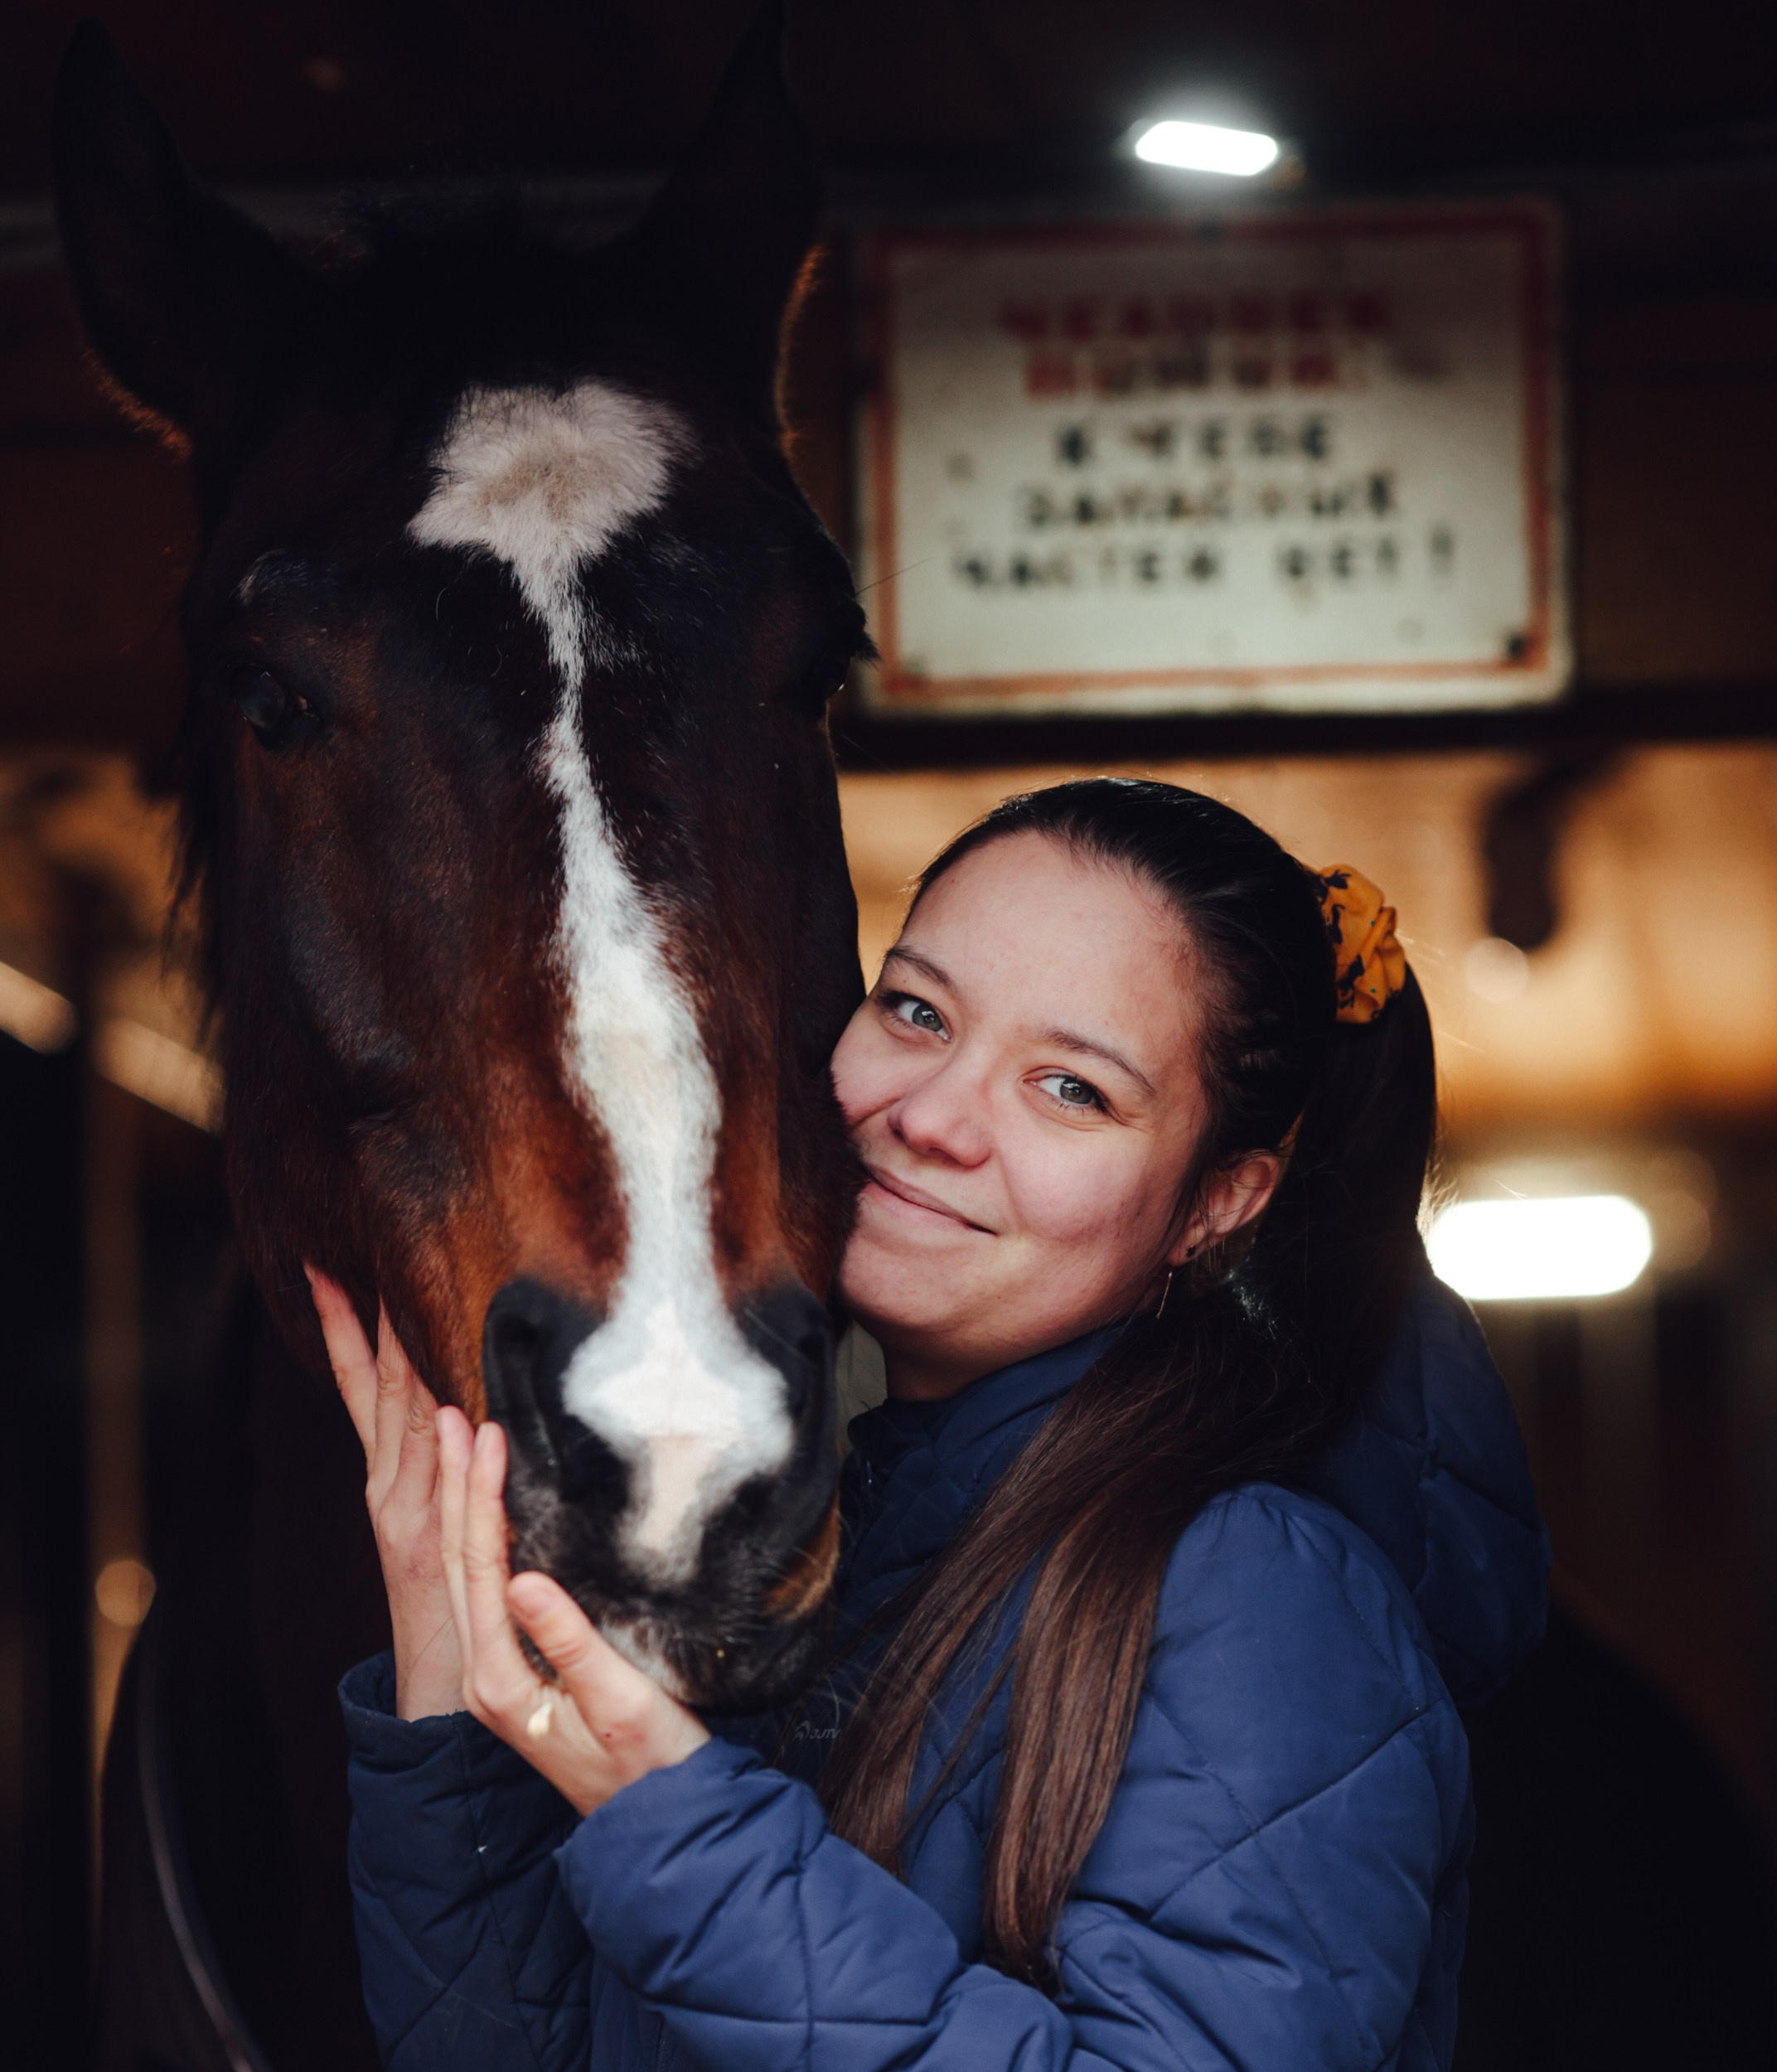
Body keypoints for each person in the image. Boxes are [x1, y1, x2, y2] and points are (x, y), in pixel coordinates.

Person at [315, 778, 1547, 2072]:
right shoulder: (832, 1528)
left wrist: (686, 1837)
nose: (932, 1116)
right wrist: (448, 1696)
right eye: (915, 1010)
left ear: (1214, 1204)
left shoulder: (1265, 1600)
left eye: (1071, 1089)